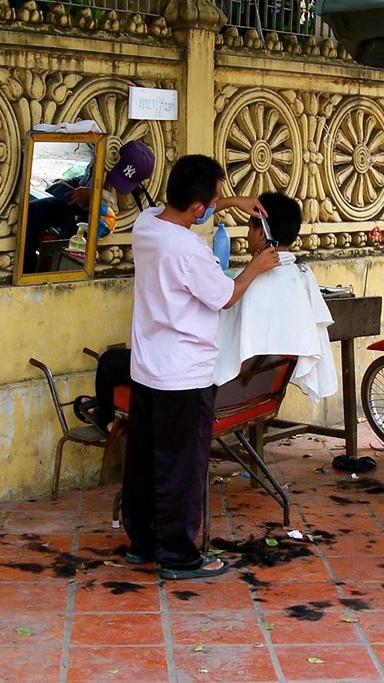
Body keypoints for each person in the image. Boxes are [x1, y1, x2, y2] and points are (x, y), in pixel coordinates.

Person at [122, 154, 279, 580]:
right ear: (197, 208)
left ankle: (143, 544)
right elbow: (225, 296)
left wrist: (229, 202)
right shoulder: (190, 250)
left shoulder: (146, 226)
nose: (212, 207)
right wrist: (256, 266)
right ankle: (177, 556)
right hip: (183, 375)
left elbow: (187, 209)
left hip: (147, 368)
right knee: (180, 468)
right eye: (210, 202)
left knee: (145, 461)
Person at [213, 191, 338, 401]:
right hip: (267, 392)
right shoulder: (303, 276)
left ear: (261, 233)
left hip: (227, 396)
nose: (248, 235)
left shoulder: (242, 283)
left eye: (249, 228)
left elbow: (221, 347)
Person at [23, 139, 154, 272]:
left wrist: (91, 195)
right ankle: (28, 268)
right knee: (31, 212)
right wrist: (70, 183)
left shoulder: (138, 196)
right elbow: (86, 178)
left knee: (65, 245)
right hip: (75, 202)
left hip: (94, 216)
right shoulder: (105, 157)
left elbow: (114, 205)